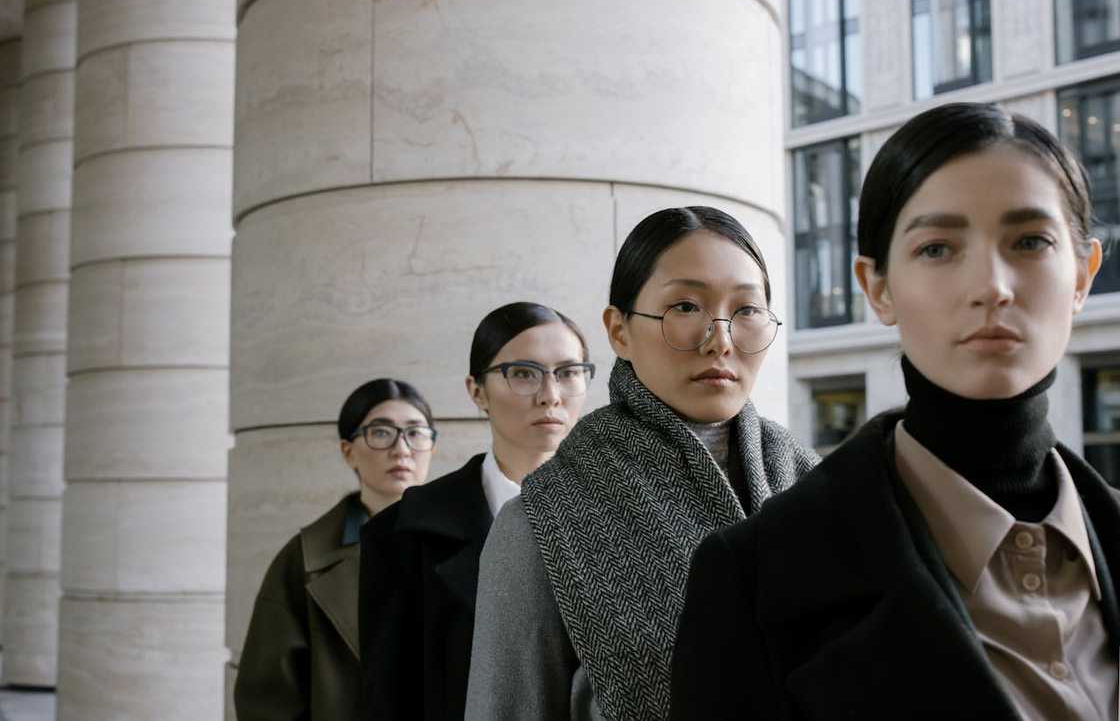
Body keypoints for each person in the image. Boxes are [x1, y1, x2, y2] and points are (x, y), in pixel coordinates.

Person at [670, 103, 1120, 720]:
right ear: (877, 286)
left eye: (1030, 242)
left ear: (1082, 274)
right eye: (938, 248)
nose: (991, 286)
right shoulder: (756, 577)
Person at [465, 207, 820, 720]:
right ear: (619, 330)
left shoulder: (818, 488)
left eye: (745, 311)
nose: (720, 338)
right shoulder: (542, 524)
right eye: (684, 306)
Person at [359, 302, 594, 720]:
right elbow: (388, 699)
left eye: (569, 372)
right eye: (523, 373)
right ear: (476, 391)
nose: (550, 395)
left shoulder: (619, 516)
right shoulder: (402, 533)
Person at [234, 378, 436, 720]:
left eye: (415, 433)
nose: (402, 449)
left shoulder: (473, 542)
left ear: (433, 447)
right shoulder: (303, 559)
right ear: (348, 450)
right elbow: (266, 702)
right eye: (381, 432)